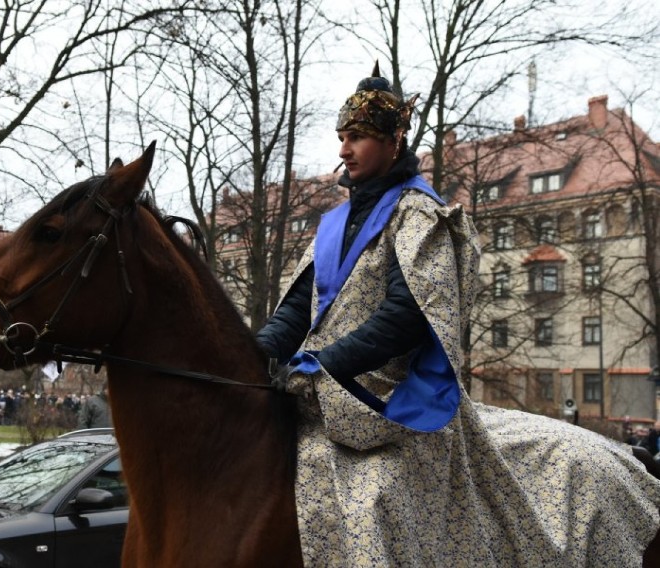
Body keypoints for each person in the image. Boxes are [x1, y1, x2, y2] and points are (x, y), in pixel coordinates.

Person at [257, 62, 660, 566]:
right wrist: (257, 353)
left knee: (371, 505)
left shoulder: (419, 214)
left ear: (394, 140)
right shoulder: (333, 223)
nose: (343, 150)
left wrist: (326, 362)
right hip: (317, 391)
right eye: (342, 137)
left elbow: (408, 315)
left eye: (357, 137)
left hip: (392, 401)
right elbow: (298, 306)